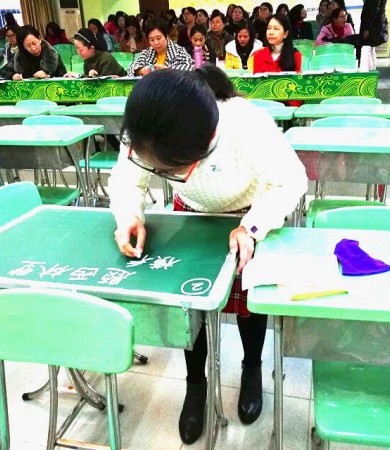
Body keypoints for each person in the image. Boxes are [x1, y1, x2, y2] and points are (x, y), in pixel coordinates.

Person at [108, 66, 307, 445]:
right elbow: (126, 179)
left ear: (208, 144)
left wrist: (252, 226)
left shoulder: (247, 126)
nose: (160, 173)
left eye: (170, 171)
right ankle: (195, 384)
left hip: (248, 214)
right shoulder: (146, 126)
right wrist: (129, 214)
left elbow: (291, 180)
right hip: (193, 215)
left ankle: (251, 368)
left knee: (249, 303)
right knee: (190, 304)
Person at [127, 18, 194, 77]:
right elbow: (130, 68)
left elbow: (191, 67)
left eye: (159, 38)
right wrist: (142, 71)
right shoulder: (147, 53)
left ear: (166, 36)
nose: (156, 42)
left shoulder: (179, 51)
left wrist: (168, 70)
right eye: (152, 40)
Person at [0, 25, 67, 80]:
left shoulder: (52, 55)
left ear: (39, 39)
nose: (33, 48)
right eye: (27, 46)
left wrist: (48, 75)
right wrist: (13, 75)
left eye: (34, 43)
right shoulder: (20, 56)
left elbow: (63, 76)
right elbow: (3, 71)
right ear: (23, 47)